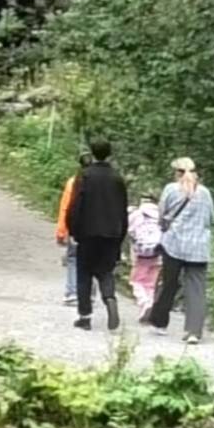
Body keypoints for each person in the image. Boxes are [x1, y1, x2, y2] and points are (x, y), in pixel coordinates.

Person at [144, 157, 214, 344]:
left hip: (174, 244)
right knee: (196, 289)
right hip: (198, 247)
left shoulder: (171, 189)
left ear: (177, 173)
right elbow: (210, 219)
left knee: (169, 283)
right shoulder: (205, 193)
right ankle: (193, 331)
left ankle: (160, 322)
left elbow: (162, 214)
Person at [64, 140, 130, 331]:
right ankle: (109, 298)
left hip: (87, 232)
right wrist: (120, 235)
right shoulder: (117, 178)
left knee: (84, 272)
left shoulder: (85, 176)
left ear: (92, 153)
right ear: (109, 154)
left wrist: (73, 229)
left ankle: (85, 316)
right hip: (111, 233)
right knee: (105, 271)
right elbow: (122, 210)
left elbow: (76, 205)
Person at [53, 157, 84, 306]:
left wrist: (61, 231)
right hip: (98, 229)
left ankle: (72, 292)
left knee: (73, 259)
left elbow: (66, 207)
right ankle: (89, 293)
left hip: (76, 228)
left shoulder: (74, 182)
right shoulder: (104, 183)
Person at [127, 196, 163, 308]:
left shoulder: (136, 214)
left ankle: (144, 302)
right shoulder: (161, 214)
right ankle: (150, 303)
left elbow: (130, 231)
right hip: (158, 252)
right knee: (150, 283)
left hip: (141, 253)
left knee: (136, 281)